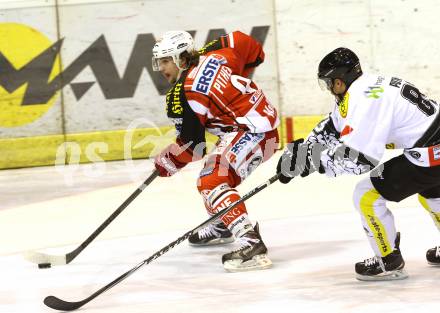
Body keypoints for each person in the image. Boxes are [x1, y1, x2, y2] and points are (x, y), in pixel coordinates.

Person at [276, 47, 440, 281]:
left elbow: (360, 159)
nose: (329, 88)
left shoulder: (365, 102)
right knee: (432, 191)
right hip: (432, 147)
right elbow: (334, 124)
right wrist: (306, 149)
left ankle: (388, 260)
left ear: (340, 81)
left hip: (431, 153)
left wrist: (313, 161)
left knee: (366, 195)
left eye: (329, 83)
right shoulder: (363, 86)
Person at [151, 30, 279, 272]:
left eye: (166, 60)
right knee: (213, 173)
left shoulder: (183, 93)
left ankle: (251, 244)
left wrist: (166, 162)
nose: (161, 68)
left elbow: (192, 147)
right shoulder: (214, 55)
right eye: (159, 61)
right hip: (254, 128)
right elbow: (244, 43)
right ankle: (224, 224)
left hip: (254, 134)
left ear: (180, 58)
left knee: (211, 181)